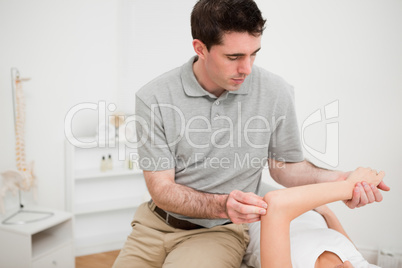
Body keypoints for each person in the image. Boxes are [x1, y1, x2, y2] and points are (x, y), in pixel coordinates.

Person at [113, 0, 390, 267]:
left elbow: (286, 169)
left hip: (217, 232)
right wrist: (223, 204)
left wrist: (342, 181)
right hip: (153, 224)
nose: (247, 68)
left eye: (254, 53)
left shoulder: (275, 91)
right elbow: (162, 189)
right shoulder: (154, 97)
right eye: (234, 57)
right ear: (200, 48)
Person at [259, 167, 385, 268]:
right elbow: (355, 255)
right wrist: (326, 212)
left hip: (260, 212)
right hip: (311, 208)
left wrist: (348, 186)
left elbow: (276, 204)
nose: (347, 264)